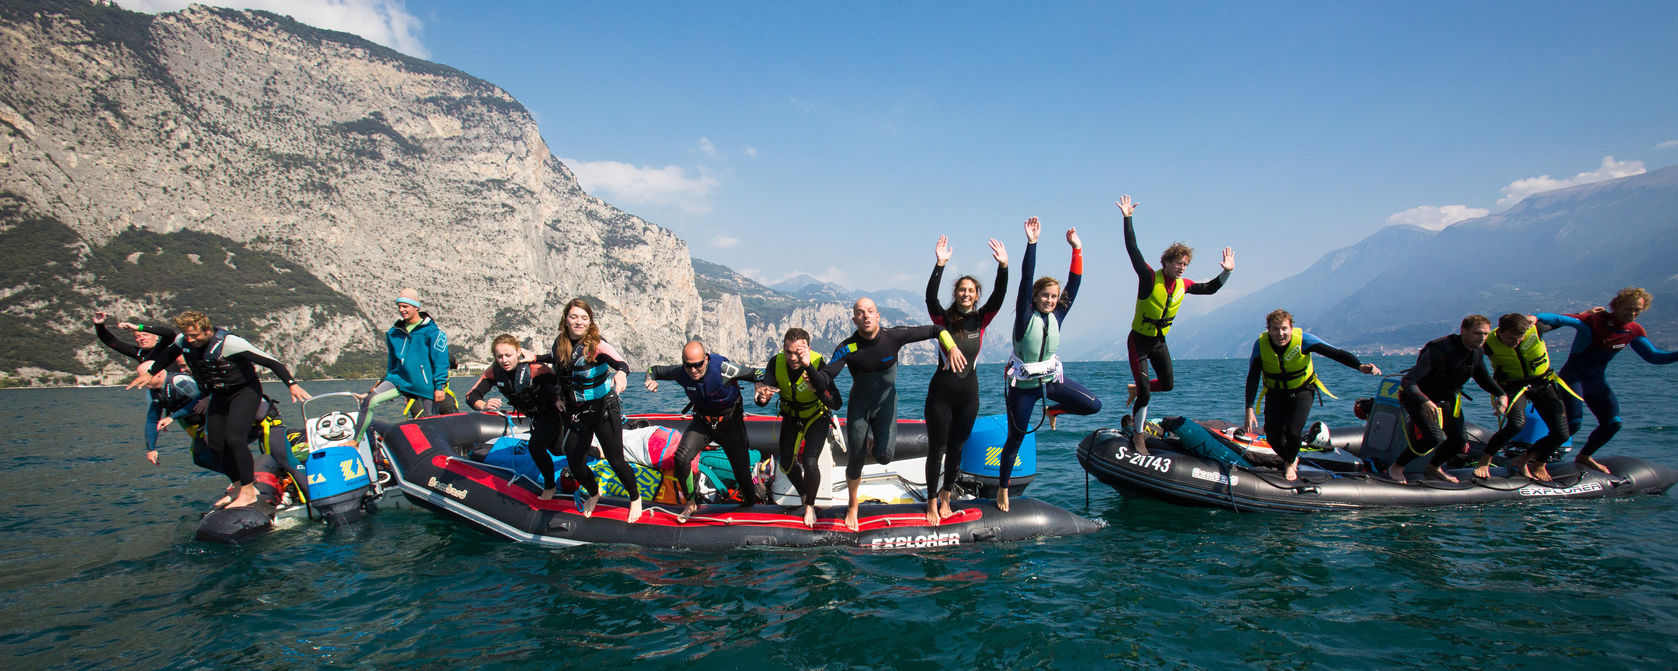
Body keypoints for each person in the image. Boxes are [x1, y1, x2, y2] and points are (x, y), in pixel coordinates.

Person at [808, 298, 968, 531]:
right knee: (856, 458)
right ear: (854, 319)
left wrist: (951, 346)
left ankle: (875, 444)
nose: (866, 316)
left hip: (886, 405)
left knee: (884, 456)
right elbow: (828, 374)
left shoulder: (894, 337)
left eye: (870, 311)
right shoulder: (847, 347)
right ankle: (853, 504)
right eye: (860, 313)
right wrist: (813, 378)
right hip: (859, 407)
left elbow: (937, 329)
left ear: (878, 315)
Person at [136, 311, 310, 508]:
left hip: (244, 392)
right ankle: (237, 487)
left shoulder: (229, 342)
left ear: (208, 330)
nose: (191, 340)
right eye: (188, 336)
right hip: (219, 394)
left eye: (195, 336)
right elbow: (167, 355)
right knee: (215, 444)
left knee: (235, 438)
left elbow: (271, 361)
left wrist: (292, 384)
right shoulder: (182, 340)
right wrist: (150, 372)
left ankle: (248, 491)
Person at [997, 216, 1101, 511]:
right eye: (1046, 295)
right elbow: (1026, 278)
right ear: (1035, 297)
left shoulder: (1058, 315)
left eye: (1054, 296)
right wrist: (1032, 243)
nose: (1051, 300)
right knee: (1015, 439)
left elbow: (1075, 284)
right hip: (1024, 387)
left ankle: (1053, 410)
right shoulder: (1024, 316)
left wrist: (1077, 249)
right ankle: (1003, 490)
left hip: (1051, 382)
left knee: (1093, 406)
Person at [1119, 195, 1234, 452]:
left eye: (1185, 264)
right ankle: (1138, 434)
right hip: (1139, 341)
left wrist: (1226, 272)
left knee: (1168, 385)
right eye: (1178, 263)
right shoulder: (1149, 278)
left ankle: (1136, 388)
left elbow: (1210, 289)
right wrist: (1128, 218)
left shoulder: (1185, 285)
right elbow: (1133, 250)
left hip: (1159, 342)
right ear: (1166, 263)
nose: (1182, 268)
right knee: (1146, 393)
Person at [1539, 288, 1678, 473]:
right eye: (1630, 308)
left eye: (1638, 310)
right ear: (1617, 305)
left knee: (1613, 423)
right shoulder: (1594, 321)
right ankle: (1534, 460)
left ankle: (1584, 456)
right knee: (1573, 424)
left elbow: (1653, 357)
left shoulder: (1633, 330)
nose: (1633, 313)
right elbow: (1557, 318)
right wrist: (1534, 317)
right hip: (1573, 379)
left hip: (1596, 381)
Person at [922, 234, 1008, 523]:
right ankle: (931, 501)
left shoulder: (981, 319)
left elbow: (1000, 295)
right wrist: (940, 264)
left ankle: (947, 494)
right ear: (956, 293)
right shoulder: (943, 319)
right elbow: (930, 297)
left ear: (976, 294)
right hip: (941, 394)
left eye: (971, 290)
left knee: (957, 447)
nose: (966, 294)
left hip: (969, 394)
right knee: (937, 449)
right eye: (961, 290)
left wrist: (1004, 266)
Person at [1241, 309, 1381, 481]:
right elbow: (1253, 377)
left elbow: (1335, 353)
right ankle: (1290, 457)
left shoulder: (1304, 340)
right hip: (1275, 394)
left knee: (1293, 431)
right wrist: (1249, 408)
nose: (1280, 334)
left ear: (1291, 328)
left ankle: (1290, 463)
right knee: (1272, 435)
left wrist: (1359, 366)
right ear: (1268, 330)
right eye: (1275, 329)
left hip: (1302, 391)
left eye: (1284, 328)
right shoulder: (1260, 346)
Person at [538, 299, 642, 521]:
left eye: (584, 318)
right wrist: (558, 397)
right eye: (574, 317)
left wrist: (621, 374)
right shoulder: (559, 345)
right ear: (565, 319)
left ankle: (635, 498)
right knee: (575, 464)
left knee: (616, 461)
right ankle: (594, 492)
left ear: (590, 322)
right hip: (578, 414)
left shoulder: (597, 345)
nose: (578, 322)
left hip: (604, 410)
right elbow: (561, 372)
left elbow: (622, 363)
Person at [645, 340, 764, 521]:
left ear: (706, 359)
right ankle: (691, 502)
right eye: (689, 366)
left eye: (698, 365)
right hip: (702, 423)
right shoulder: (681, 373)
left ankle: (749, 505)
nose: (693, 370)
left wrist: (758, 385)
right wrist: (649, 379)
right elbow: (655, 370)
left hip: (730, 424)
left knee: (741, 471)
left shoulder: (724, 369)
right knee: (681, 458)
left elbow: (756, 373)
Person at [1385, 315, 1506, 484]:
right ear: (1463, 331)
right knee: (1433, 437)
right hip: (1419, 396)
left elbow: (1483, 378)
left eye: (1486, 334)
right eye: (1478, 333)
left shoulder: (1477, 352)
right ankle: (1397, 466)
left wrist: (1501, 394)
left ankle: (1434, 467)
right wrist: (1424, 401)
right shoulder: (1439, 350)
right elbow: (1409, 381)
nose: (1483, 338)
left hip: (1448, 397)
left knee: (1459, 441)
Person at [1469, 314, 1579, 481]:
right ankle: (1484, 460)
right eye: (1511, 338)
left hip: (1542, 384)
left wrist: (1587, 314)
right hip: (1512, 386)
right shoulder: (1488, 342)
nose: (1516, 342)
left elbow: (1563, 320)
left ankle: (1530, 461)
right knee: (1516, 424)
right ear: (1500, 331)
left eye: (1520, 338)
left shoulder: (1537, 329)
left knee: (1562, 434)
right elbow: (1466, 353)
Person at [752, 328, 842, 528]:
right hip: (791, 416)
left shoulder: (818, 364)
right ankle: (803, 492)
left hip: (815, 417)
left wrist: (818, 389)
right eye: (788, 351)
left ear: (808, 349)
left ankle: (810, 505)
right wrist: (761, 398)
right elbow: (762, 394)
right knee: (785, 464)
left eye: (798, 353)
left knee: (810, 463)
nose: (792, 357)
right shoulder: (776, 363)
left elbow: (836, 402)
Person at [462, 334, 564, 489]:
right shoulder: (494, 372)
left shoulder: (534, 368)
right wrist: (482, 405)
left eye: (508, 355)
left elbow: (561, 383)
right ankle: (595, 452)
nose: (504, 360)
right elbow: (471, 396)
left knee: (536, 447)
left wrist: (560, 398)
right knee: (557, 449)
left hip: (554, 411)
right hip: (534, 417)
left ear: (518, 352)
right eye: (499, 356)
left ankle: (550, 487)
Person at [355, 288, 455, 441]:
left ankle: (441, 451)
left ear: (416, 307)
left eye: (405, 306)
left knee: (432, 421)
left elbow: (441, 361)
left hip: (425, 385)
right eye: (399, 306)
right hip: (399, 381)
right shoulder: (393, 333)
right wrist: (381, 385)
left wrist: (440, 387)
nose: (401, 310)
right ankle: (355, 441)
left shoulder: (433, 332)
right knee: (370, 401)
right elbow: (393, 364)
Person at [93, 310, 190, 465]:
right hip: (166, 398)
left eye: (144, 335)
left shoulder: (164, 347)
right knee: (196, 438)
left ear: (154, 336)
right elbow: (111, 342)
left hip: (184, 391)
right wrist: (99, 325)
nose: (140, 339)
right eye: (137, 337)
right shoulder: (139, 353)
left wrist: (138, 327)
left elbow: (169, 334)